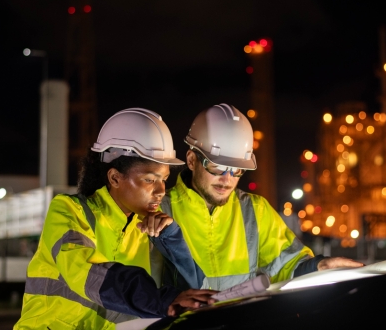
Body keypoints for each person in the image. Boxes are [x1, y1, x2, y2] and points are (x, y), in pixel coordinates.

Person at [4, 108, 217, 330]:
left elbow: (187, 291)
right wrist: (159, 298)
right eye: (150, 180)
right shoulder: (70, 211)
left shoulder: (151, 231)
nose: (161, 191)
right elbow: (86, 272)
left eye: (164, 179)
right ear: (115, 177)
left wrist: (171, 238)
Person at [150, 103, 364, 291]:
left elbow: (286, 263)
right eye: (217, 167)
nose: (227, 179)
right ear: (191, 160)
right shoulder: (158, 210)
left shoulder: (255, 210)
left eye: (236, 170)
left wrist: (318, 266)